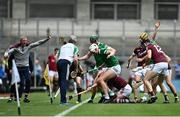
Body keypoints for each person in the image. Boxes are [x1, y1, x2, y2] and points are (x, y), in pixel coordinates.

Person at [5, 35, 51, 103]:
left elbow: (38, 43)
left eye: (26, 41)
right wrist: (6, 54)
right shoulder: (15, 48)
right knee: (17, 82)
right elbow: (8, 52)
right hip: (18, 68)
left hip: (26, 67)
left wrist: (47, 39)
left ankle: (26, 97)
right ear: (20, 41)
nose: (25, 42)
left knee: (28, 81)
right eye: (23, 41)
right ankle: (12, 96)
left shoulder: (29, 46)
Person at [78, 35, 121, 103]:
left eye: (93, 41)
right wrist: (78, 59)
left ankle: (107, 97)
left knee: (100, 80)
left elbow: (113, 50)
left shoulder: (102, 48)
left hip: (114, 67)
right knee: (98, 82)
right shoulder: (93, 48)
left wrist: (111, 54)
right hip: (107, 67)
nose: (93, 53)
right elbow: (88, 56)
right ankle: (109, 95)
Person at [57, 35, 79, 105]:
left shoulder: (62, 46)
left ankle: (62, 99)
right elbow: (75, 60)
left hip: (59, 62)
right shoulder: (75, 47)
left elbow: (57, 57)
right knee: (64, 82)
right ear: (74, 41)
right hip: (66, 63)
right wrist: (76, 69)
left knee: (61, 82)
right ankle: (63, 101)